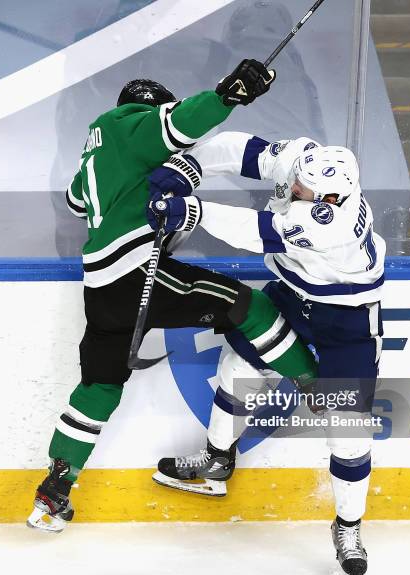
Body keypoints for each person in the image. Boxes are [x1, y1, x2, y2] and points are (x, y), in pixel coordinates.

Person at [27, 62, 321, 533]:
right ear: (146, 108)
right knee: (248, 307)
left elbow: (77, 201)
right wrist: (228, 95)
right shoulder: (127, 124)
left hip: (101, 288)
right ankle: (317, 387)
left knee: (99, 387)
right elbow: (178, 124)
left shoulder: (92, 152)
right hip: (135, 271)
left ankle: (53, 492)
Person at [148, 132, 385, 575]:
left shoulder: (328, 222)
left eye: (304, 190)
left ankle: (348, 526)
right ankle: (217, 458)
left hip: (348, 322)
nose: (293, 186)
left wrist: (188, 210)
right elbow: (239, 149)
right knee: (238, 370)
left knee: (348, 433)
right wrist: (184, 169)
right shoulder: (308, 164)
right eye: (297, 180)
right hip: (294, 294)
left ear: (331, 198)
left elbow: (254, 232)